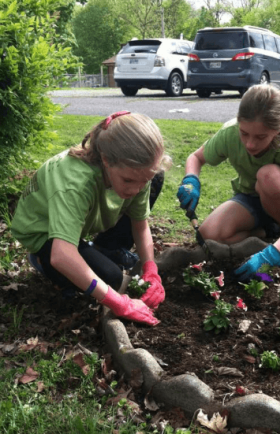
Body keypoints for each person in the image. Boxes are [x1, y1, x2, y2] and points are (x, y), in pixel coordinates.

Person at [12, 111, 170, 326]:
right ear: (106, 159)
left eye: (144, 181)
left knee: (155, 178)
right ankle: (42, 259)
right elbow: (61, 255)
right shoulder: (75, 183)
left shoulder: (136, 173)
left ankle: (99, 249)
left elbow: (140, 224)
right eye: (129, 180)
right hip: (42, 229)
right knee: (110, 279)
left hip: (79, 218)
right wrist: (119, 303)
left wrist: (151, 270)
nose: (136, 189)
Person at [177, 84, 280, 282]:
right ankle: (268, 233)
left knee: (268, 176)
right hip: (251, 199)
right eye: (244, 134)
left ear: (276, 130)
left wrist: (272, 255)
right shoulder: (230, 133)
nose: (250, 144)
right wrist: (191, 180)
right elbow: (196, 158)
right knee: (209, 235)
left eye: (260, 137)